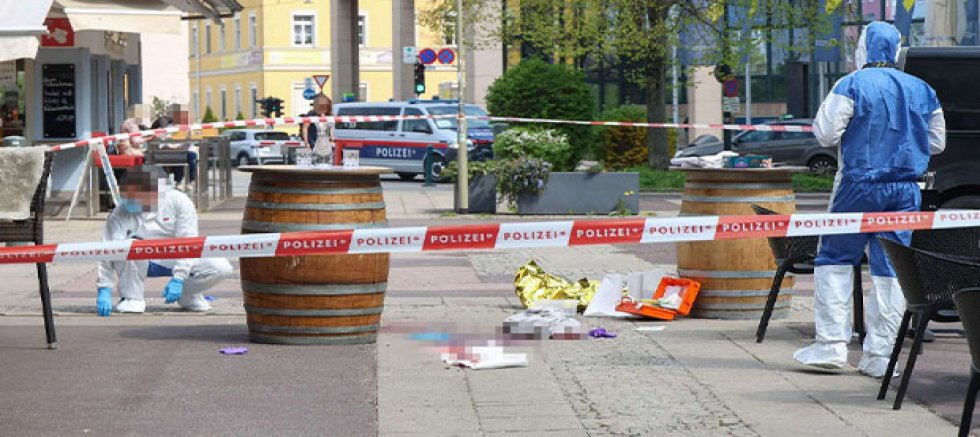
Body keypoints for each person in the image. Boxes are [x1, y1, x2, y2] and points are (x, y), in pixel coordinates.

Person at [794, 21, 946, 378]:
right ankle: (881, 355)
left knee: (834, 258)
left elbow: (825, 133)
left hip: (857, 185)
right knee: (891, 268)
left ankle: (831, 345)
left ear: (863, 48)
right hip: (906, 189)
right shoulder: (923, 89)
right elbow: (937, 142)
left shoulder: (851, 84)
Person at [95, 166, 234, 315]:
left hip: (176, 255)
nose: (129, 200)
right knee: (129, 246)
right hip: (143, 261)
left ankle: (188, 293)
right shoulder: (119, 214)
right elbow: (107, 251)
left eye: (135, 196)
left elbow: (188, 242)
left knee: (221, 267)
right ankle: (132, 297)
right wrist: (104, 288)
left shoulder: (178, 202)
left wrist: (179, 278)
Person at [300, 93, 335, 164]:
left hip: (325, 141)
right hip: (314, 139)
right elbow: (305, 128)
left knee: (327, 158)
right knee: (316, 159)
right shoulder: (311, 115)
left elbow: (331, 128)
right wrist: (306, 142)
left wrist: (332, 138)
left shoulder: (329, 116)